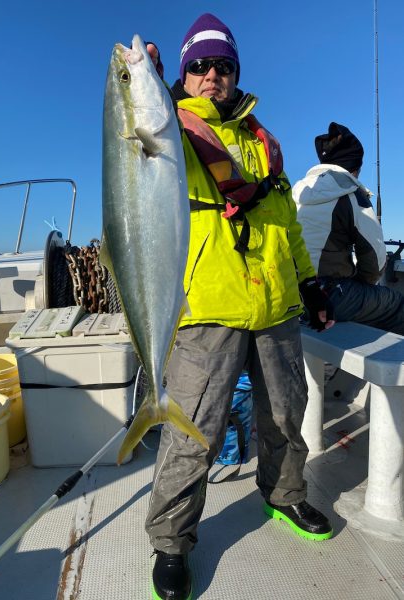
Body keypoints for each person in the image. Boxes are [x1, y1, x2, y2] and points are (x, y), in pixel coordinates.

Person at [144, 15, 334, 600]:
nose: (211, 76)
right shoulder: (170, 128)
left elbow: (285, 223)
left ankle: (285, 496)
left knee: (284, 414)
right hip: (208, 306)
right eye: (198, 66)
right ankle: (172, 544)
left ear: (235, 74)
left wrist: (309, 282)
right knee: (193, 432)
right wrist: (150, 81)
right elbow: (141, 141)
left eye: (222, 66)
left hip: (275, 304)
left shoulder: (262, 139)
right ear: (185, 73)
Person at [293, 122, 404, 335]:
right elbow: (374, 261)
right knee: (396, 303)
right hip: (324, 295)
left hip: (290, 294)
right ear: (354, 168)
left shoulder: (297, 191)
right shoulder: (350, 192)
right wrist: (363, 284)